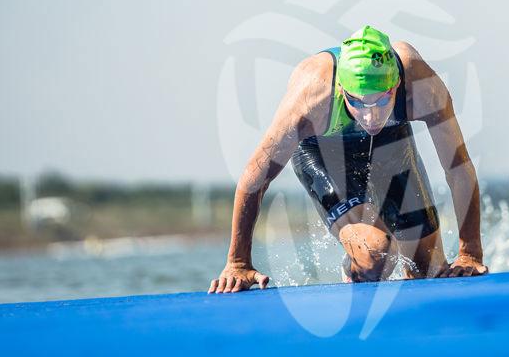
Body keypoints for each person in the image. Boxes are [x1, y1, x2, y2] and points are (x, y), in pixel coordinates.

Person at [209, 25, 487, 293]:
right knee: (376, 255)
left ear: (397, 85)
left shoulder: (421, 84)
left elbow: (458, 168)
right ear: (342, 90)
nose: (371, 115)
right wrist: (238, 263)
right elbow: (255, 176)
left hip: (390, 143)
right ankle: (356, 266)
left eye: (381, 101)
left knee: (429, 270)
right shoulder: (311, 97)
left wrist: (470, 253)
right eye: (358, 102)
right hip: (322, 151)